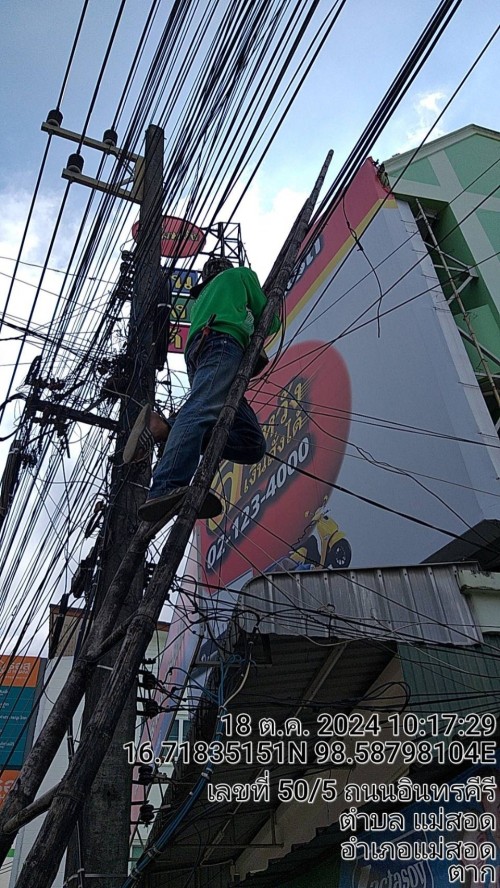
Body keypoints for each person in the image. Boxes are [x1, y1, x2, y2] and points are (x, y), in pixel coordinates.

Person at [123, 256, 281, 524]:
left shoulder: (201, 299)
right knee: (201, 411)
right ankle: (165, 486)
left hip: (201, 353)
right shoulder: (241, 275)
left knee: (252, 444)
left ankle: (167, 428)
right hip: (223, 345)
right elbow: (272, 321)